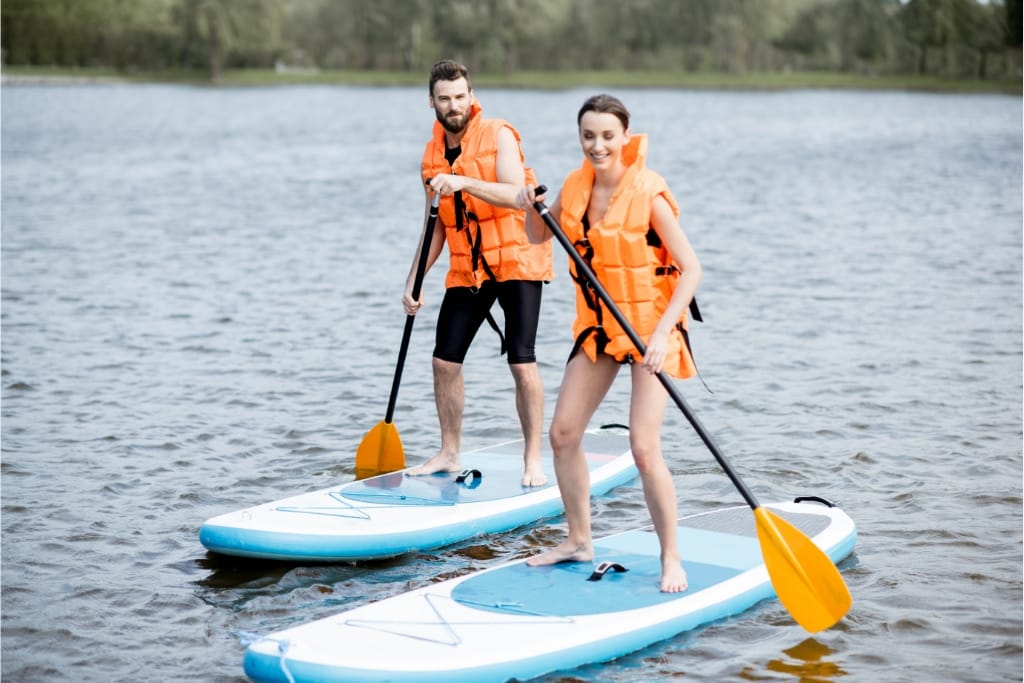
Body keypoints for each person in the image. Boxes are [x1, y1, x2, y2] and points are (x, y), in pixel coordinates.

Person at [516, 94, 702, 592]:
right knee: (562, 434)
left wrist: (663, 335)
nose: (597, 145)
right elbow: (537, 234)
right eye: (588, 136)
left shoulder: (649, 193)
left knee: (643, 447)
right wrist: (528, 206)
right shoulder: (576, 188)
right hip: (601, 331)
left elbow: (693, 270)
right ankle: (579, 539)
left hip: (650, 332)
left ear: (625, 136)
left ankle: (671, 558)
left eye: (606, 136)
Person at [403, 59, 554, 487]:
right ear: (431, 101)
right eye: (445, 98)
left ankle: (533, 461)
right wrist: (413, 279)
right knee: (443, 361)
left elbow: (514, 195)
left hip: (517, 260)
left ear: (471, 95)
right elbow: (435, 224)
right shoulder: (431, 156)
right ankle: (450, 453)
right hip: (469, 268)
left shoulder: (499, 133)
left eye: (460, 96)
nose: (454, 106)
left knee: (521, 363)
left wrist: (463, 181)